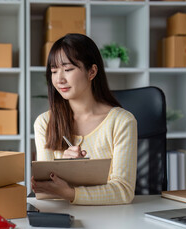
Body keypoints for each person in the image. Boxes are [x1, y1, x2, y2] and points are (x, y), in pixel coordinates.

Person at [31, 33, 137, 205]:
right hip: (65, 220)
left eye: (68, 69)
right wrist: (63, 167)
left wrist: (71, 193)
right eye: (54, 71)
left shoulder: (122, 122)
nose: (59, 79)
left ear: (92, 71)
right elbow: (45, 192)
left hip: (114, 221)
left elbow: (124, 191)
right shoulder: (44, 123)